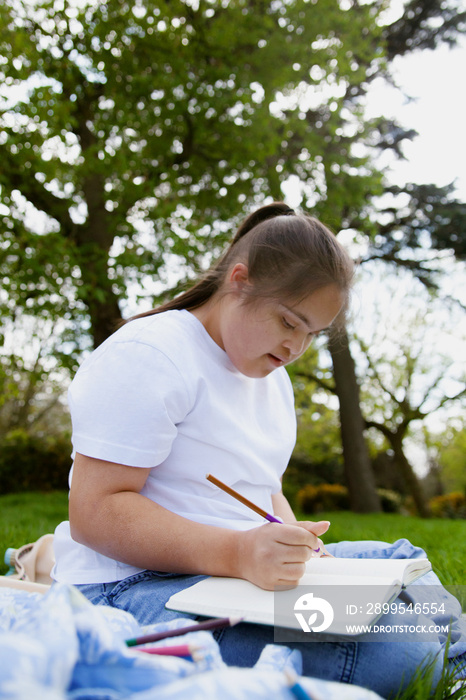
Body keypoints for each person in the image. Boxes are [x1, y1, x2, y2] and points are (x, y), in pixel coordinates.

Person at [52, 202, 466, 698]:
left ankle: (455, 661)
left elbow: (264, 492)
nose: (296, 347)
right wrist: (238, 552)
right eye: (290, 322)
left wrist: (300, 548)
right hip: (131, 587)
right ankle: (442, 656)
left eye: (311, 334)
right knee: (395, 650)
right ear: (240, 280)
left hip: (237, 577)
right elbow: (94, 514)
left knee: (401, 559)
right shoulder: (151, 354)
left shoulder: (273, 380)